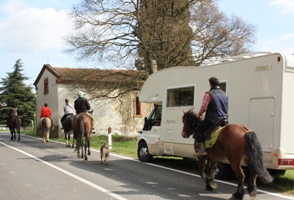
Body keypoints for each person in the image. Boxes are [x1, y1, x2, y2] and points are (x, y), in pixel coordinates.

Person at [193, 77, 228, 157]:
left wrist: (199, 114)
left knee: (197, 130)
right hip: (224, 119)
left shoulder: (209, 94)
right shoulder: (224, 94)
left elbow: (204, 108)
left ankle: (202, 150)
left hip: (212, 119)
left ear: (210, 84)